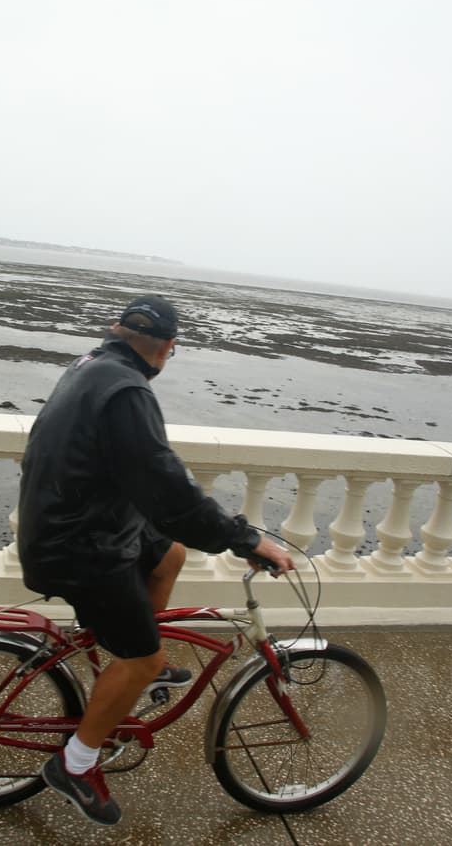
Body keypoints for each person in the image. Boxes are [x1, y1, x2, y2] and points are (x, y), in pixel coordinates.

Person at [17, 294, 294, 825]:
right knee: (139, 657)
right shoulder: (126, 391)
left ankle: (142, 659)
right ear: (169, 347)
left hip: (71, 522)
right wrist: (245, 540)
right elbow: (165, 486)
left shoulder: (92, 365)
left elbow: (134, 467)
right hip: (80, 545)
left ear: (116, 330)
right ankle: (76, 763)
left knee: (169, 553)